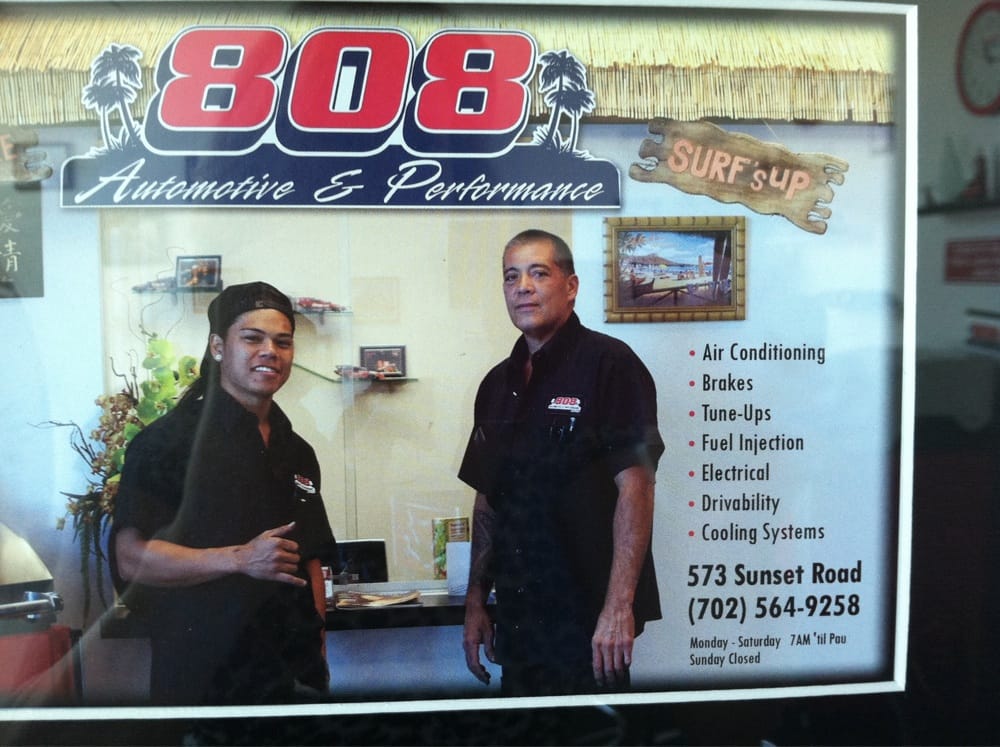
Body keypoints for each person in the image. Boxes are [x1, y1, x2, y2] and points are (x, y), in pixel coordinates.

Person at [110, 281, 336, 705]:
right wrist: (239, 559)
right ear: (217, 347)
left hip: (292, 676)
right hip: (202, 678)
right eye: (252, 338)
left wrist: (318, 649)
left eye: (282, 342)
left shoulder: (297, 450)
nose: (270, 351)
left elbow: (309, 561)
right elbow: (130, 558)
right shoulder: (166, 444)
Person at [460, 229, 664, 697]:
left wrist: (619, 607)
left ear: (571, 286)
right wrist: (475, 600)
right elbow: (488, 498)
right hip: (519, 618)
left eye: (538, 273)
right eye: (511, 277)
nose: (523, 287)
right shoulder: (496, 385)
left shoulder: (611, 365)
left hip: (588, 623)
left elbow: (637, 487)